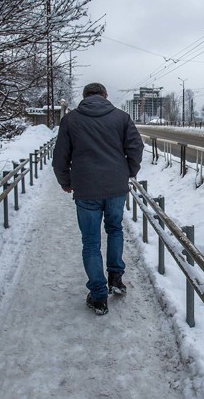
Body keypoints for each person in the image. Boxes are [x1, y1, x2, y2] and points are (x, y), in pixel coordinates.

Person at [52, 83, 144, 315]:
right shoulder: (121, 117)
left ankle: (98, 295)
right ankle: (116, 277)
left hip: (86, 189)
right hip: (115, 187)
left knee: (91, 242)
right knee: (115, 229)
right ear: (105, 96)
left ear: (84, 97)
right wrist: (129, 171)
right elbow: (136, 147)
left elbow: (60, 156)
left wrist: (66, 181)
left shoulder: (71, 120)